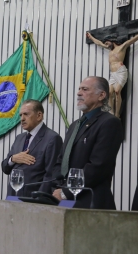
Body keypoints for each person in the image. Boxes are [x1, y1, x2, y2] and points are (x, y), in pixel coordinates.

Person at [52, 76, 123, 209]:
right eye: (79, 89)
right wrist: (56, 188)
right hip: (62, 200)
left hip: (90, 202)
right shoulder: (74, 125)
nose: (79, 93)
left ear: (101, 95)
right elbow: (61, 161)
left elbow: (98, 166)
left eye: (85, 89)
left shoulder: (109, 123)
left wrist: (65, 192)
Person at [86, 15, 138, 118]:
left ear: (112, 40)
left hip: (120, 71)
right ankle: (112, 113)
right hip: (113, 74)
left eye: (107, 43)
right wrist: (91, 37)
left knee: (116, 91)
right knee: (109, 93)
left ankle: (117, 114)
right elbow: (98, 43)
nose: (106, 45)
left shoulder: (122, 47)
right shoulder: (109, 49)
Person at [2, 100, 63, 197]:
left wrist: (39, 198)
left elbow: (50, 175)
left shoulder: (52, 138)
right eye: (20, 115)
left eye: (26, 114)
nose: (22, 119)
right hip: (13, 196)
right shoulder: (19, 138)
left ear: (39, 116)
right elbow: (5, 168)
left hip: (33, 198)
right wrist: (12, 159)